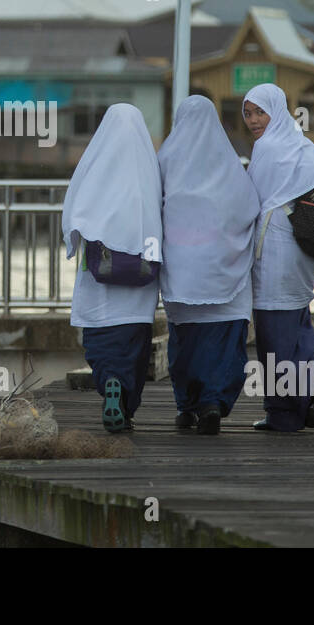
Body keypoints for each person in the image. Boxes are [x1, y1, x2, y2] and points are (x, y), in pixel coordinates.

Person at [242, 83, 314, 431]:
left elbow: (248, 202)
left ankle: (285, 414)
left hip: (275, 258)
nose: (254, 120)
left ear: (276, 111)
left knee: (273, 338)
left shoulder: (267, 148)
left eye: (260, 112)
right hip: (301, 255)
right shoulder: (302, 145)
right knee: (298, 327)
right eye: (248, 113)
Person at [157, 95, 261, 434]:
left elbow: (151, 205)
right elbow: (248, 209)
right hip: (222, 271)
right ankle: (213, 402)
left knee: (184, 341)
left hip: (182, 274)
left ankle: (186, 406)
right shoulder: (228, 164)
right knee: (223, 339)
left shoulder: (167, 159)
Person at [61, 103, 162, 433]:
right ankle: (126, 404)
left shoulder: (95, 163)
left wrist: (74, 242)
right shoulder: (149, 169)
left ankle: (109, 383)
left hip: (100, 275)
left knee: (100, 339)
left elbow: (74, 211)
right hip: (140, 274)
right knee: (135, 343)